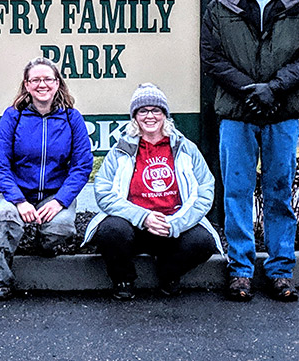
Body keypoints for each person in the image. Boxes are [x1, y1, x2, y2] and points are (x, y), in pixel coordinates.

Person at [200, 0, 299, 302]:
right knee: (236, 191)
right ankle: (240, 269)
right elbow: (211, 56)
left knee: (279, 191)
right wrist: (249, 89)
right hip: (236, 113)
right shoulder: (221, 7)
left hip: (282, 113)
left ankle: (282, 269)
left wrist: (275, 87)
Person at [83, 83, 223, 300]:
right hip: (134, 225)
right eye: (143, 111)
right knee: (111, 230)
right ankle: (124, 280)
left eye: (156, 110)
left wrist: (176, 223)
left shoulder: (185, 148)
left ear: (165, 115)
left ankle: (168, 274)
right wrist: (143, 217)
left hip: (173, 225)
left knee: (203, 242)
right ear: (135, 116)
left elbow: (205, 189)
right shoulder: (121, 149)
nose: (150, 116)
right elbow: (103, 191)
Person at [0, 57, 94, 300]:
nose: (41, 84)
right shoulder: (13, 116)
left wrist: (60, 201)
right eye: (35, 80)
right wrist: (19, 200)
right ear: (26, 84)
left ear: (57, 84)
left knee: (61, 226)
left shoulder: (71, 118)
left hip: (53, 195)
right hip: (16, 193)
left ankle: (42, 244)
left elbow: (82, 165)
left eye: (48, 79)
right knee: (5, 218)